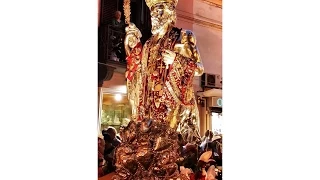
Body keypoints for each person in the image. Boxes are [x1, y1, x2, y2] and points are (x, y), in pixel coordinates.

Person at [113, 0, 204, 178]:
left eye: (159, 11)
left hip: (169, 103)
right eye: (153, 12)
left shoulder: (182, 36)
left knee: (163, 147)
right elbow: (138, 71)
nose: (155, 16)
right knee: (144, 145)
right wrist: (132, 45)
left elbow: (200, 68)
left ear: (170, 13)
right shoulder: (148, 44)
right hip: (147, 103)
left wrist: (177, 60)